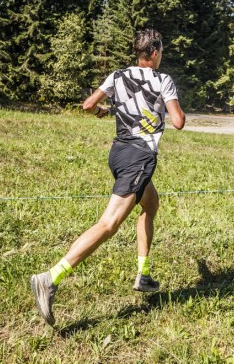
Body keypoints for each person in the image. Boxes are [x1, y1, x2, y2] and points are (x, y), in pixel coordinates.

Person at [30, 28, 186, 326]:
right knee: (109, 223)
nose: (161, 55)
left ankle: (143, 273)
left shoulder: (117, 75)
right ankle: (50, 278)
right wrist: (165, 111)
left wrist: (108, 108)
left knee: (150, 205)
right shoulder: (163, 80)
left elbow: (88, 105)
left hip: (118, 154)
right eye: (161, 50)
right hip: (139, 157)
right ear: (153, 53)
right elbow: (177, 121)